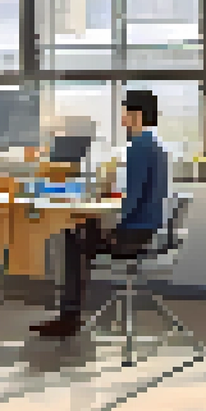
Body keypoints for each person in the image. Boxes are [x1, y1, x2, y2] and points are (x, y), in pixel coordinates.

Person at [33, 89, 169, 339]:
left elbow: (133, 199)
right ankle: (69, 315)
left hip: (132, 237)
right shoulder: (157, 146)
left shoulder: (138, 147)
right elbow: (139, 195)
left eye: (125, 113)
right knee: (83, 229)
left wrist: (108, 218)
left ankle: (69, 317)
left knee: (72, 238)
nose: (122, 119)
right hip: (149, 231)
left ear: (136, 115)